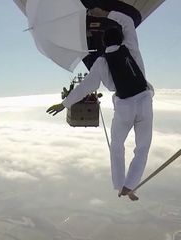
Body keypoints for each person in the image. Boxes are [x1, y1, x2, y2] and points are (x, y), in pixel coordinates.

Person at [47, 8, 153, 201]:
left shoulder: (101, 63)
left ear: (104, 44)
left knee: (117, 146)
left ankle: (120, 184)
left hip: (124, 107)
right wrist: (104, 14)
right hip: (145, 101)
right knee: (143, 147)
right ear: (120, 39)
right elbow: (128, 22)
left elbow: (85, 86)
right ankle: (130, 185)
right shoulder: (130, 48)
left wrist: (64, 104)